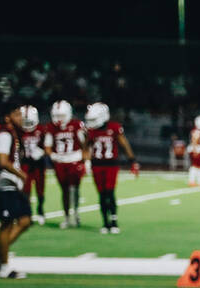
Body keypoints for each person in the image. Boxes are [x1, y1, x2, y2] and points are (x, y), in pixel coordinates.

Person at [84, 103, 138, 234]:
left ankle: (114, 220)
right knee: (102, 194)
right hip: (97, 164)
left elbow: (124, 144)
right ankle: (105, 222)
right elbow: (85, 147)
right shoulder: (91, 131)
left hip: (111, 164)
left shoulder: (114, 128)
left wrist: (133, 161)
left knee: (110, 192)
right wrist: (86, 162)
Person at [0, 106, 33, 278]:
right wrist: (21, 174)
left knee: (25, 221)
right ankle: (4, 266)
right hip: (3, 182)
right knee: (6, 223)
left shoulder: (15, 135)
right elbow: (2, 161)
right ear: (7, 117)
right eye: (16, 114)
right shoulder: (4, 135)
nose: (21, 117)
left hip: (13, 183)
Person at [47, 100, 90, 228]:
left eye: (62, 116)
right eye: (57, 116)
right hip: (60, 162)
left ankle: (76, 214)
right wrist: (52, 155)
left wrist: (86, 161)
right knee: (64, 191)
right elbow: (47, 146)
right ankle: (66, 217)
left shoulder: (76, 125)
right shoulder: (51, 127)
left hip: (74, 159)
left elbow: (85, 144)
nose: (59, 119)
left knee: (74, 188)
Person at [18, 106, 48, 224]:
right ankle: (27, 213)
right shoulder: (19, 131)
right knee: (26, 189)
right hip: (25, 163)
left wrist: (41, 152)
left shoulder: (41, 130)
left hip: (39, 164)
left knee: (40, 189)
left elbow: (48, 146)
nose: (27, 124)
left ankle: (40, 210)